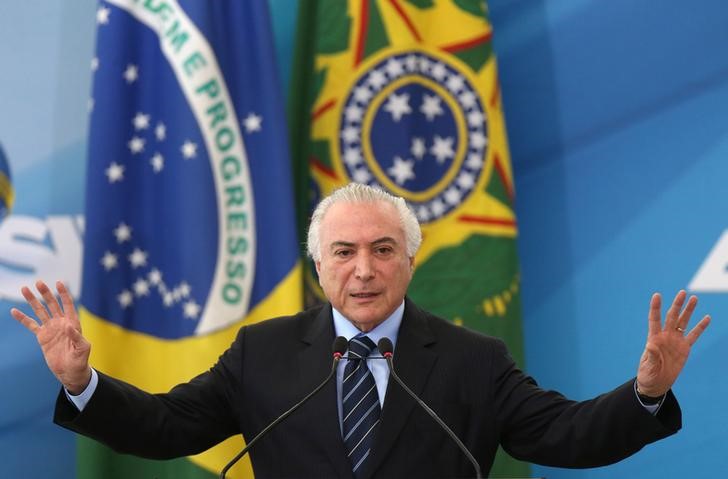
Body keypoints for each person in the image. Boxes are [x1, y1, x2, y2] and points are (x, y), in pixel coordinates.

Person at [11, 183, 710, 478]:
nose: (364, 269)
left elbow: (567, 433)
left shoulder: (472, 360)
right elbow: (166, 427)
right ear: (321, 265)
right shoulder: (264, 352)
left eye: (383, 249)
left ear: (410, 260)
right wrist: (82, 384)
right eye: (345, 252)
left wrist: (644, 394)